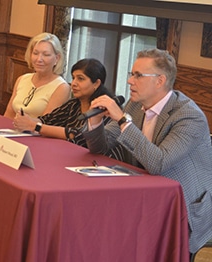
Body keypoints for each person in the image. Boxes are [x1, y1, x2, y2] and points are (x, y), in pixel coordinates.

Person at [82, 48, 212, 254]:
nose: (130, 81)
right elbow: (101, 148)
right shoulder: (135, 106)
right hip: (144, 196)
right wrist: (96, 122)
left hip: (181, 207)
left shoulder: (188, 117)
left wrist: (123, 120)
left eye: (138, 75)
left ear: (160, 81)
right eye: (131, 74)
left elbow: (158, 163)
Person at [13, 58, 113, 148]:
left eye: (80, 79)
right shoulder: (73, 104)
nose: (73, 83)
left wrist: (34, 126)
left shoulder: (104, 109)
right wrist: (26, 120)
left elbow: (79, 135)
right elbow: (47, 120)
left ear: (96, 83)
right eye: (73, 78)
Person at [4, 32, 71, 119]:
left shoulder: (61, 87)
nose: (39, 59)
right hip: (10, 130)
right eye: (35, 53)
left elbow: (45, 124)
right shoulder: (22, 79)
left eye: (46, 55)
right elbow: (9, 115)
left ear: (57, 58)